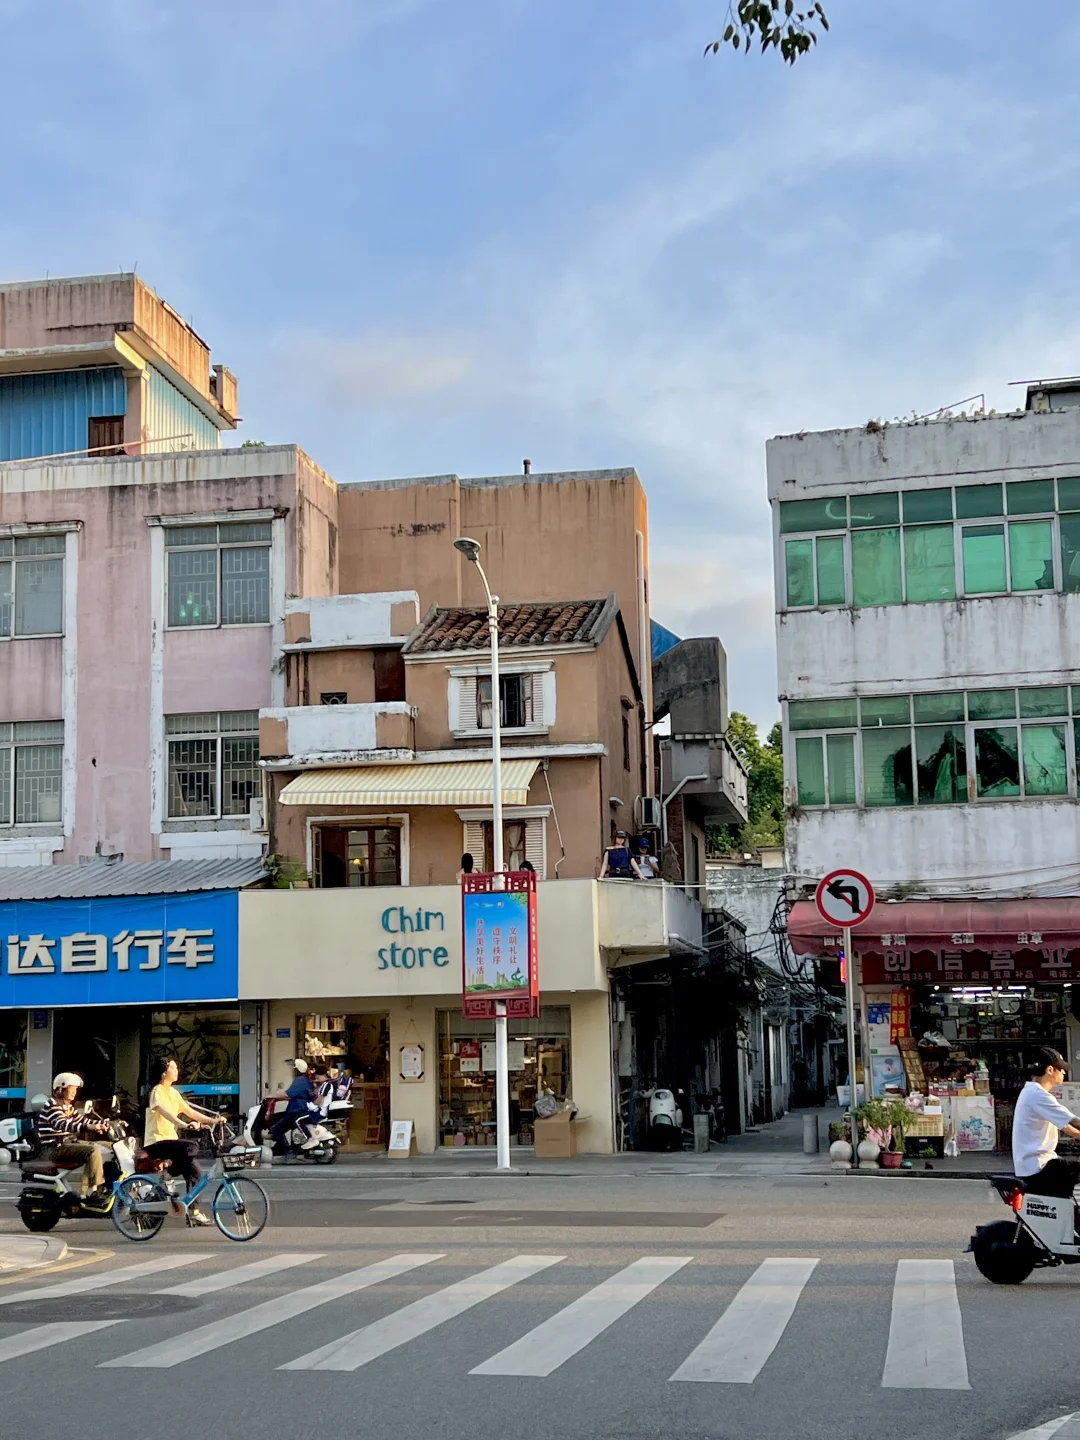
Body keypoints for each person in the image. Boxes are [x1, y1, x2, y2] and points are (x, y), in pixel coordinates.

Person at [144, 1057, 218, 1226]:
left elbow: (190, 1111)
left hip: (171, 1142)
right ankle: (169, 1174)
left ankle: (194, 1212)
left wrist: (212, 1120)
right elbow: (165, 1113)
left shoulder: (173, 1093)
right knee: (191, 1147)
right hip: (157, 1142)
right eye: (173, 1068)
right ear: (164, 1072)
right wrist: (183, 1124)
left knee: (197, 1173)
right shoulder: (157, 1091)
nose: (177, 1070)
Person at [1012, 1047, 1080, 1199]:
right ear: (1050, 1069)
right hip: (1038, 1165)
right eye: (1061, 1069)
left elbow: (1066, 1126)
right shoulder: (1038, 1094)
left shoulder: (1032, 1092)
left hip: (1035, 1163)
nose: (1063, 1072)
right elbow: (1073, 1121)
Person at [38, 1073, 113, 1206]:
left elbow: (83, 1120)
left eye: (76, 1090)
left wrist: (106, 1124)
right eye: (71, 1089)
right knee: (92, 1150)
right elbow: (63, 1124)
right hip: (54, 1148)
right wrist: (89, 1126)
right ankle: (95, 1190)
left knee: (109, 1147)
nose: (74, 1093)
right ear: (60, 1089)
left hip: (68, 1144)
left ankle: (103, 1187)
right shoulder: (52, 1105)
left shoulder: (68, 1107)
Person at [273, 1059, 322, 1149]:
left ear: (297, 1069)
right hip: (297, 1109)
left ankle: (287, 1151)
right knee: (278, 1124)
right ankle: (281, 1149)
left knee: (276, 1129)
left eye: (294, 1069)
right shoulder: (305, 1080)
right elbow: (293, 1095)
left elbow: (288, 1094)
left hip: (297, 1110)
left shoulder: (300, 1081)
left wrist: (270, 1096)